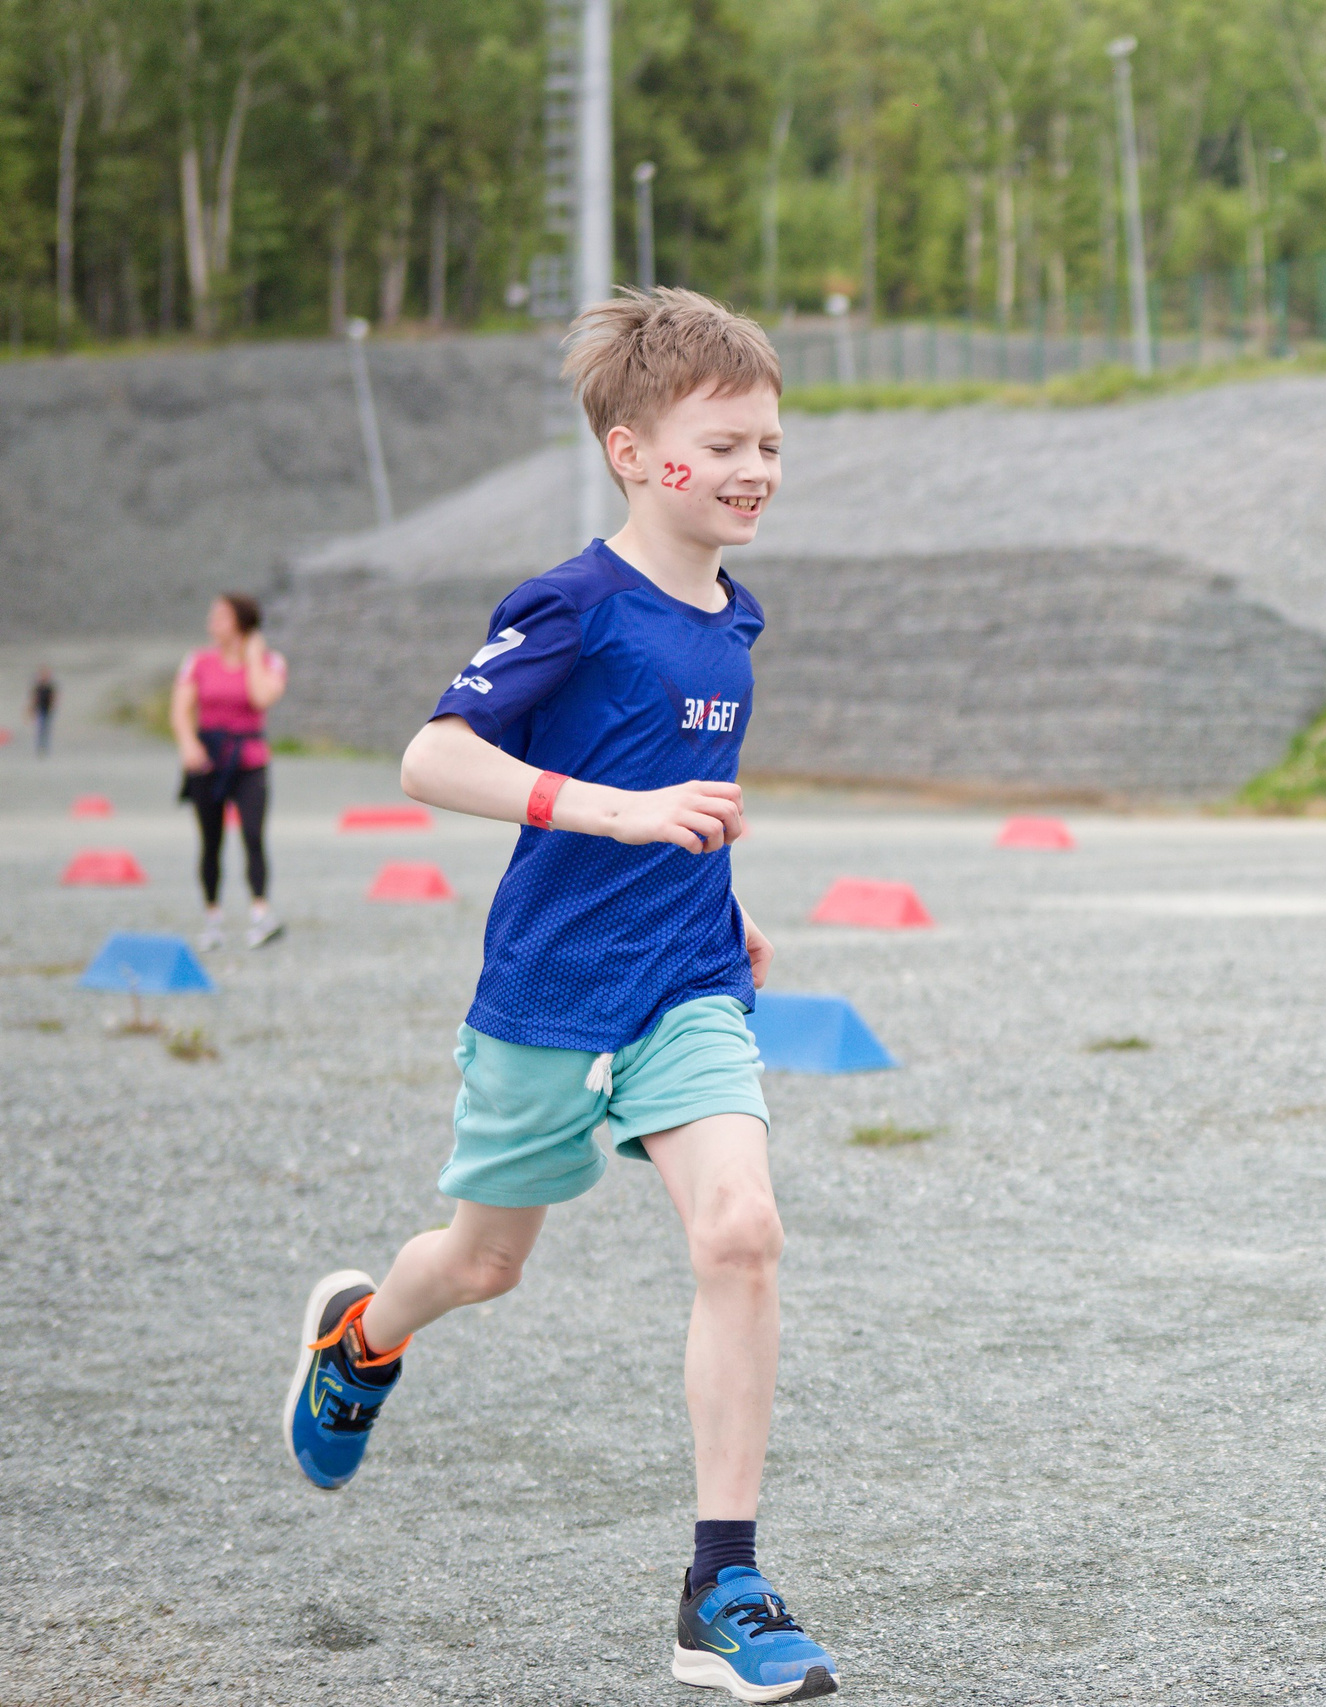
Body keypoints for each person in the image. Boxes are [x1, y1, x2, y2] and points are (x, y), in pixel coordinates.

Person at [280, 287, 836, 1704]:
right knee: (483, 1265)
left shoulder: (735, 615)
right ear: (633, 452)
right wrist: (612, 812)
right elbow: (432, 757)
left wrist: (720, 896)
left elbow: (677, 790)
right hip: (548, 993)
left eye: (771, 443)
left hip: (686, 982)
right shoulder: (572, 605)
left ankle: (723, 1586)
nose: (756, 470)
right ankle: (362, 1337)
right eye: (726, 445)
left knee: (744, 1231)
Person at [173, 595, 287, 948]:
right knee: (211, 841)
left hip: (249, 759)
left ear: (241, 621)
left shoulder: (271, 662)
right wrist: (188, 745)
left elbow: (261, 698)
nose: (213, 622)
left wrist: (252, 657)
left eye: (221, 616)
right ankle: (213, 917)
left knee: (253, 834)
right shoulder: (197, 661)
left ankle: (260, 913)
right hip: (208, 758)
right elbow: (180, 710)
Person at [28, 667, 55, 755]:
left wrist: (52, 707)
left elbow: (52, 698)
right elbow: (34, 699)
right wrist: (31, 709)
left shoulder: (49, 687)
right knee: (40, 728)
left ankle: (45, 747)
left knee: (46, 729)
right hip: (40, 710)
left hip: (47, 710)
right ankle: (40, 747)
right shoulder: (38, 687)